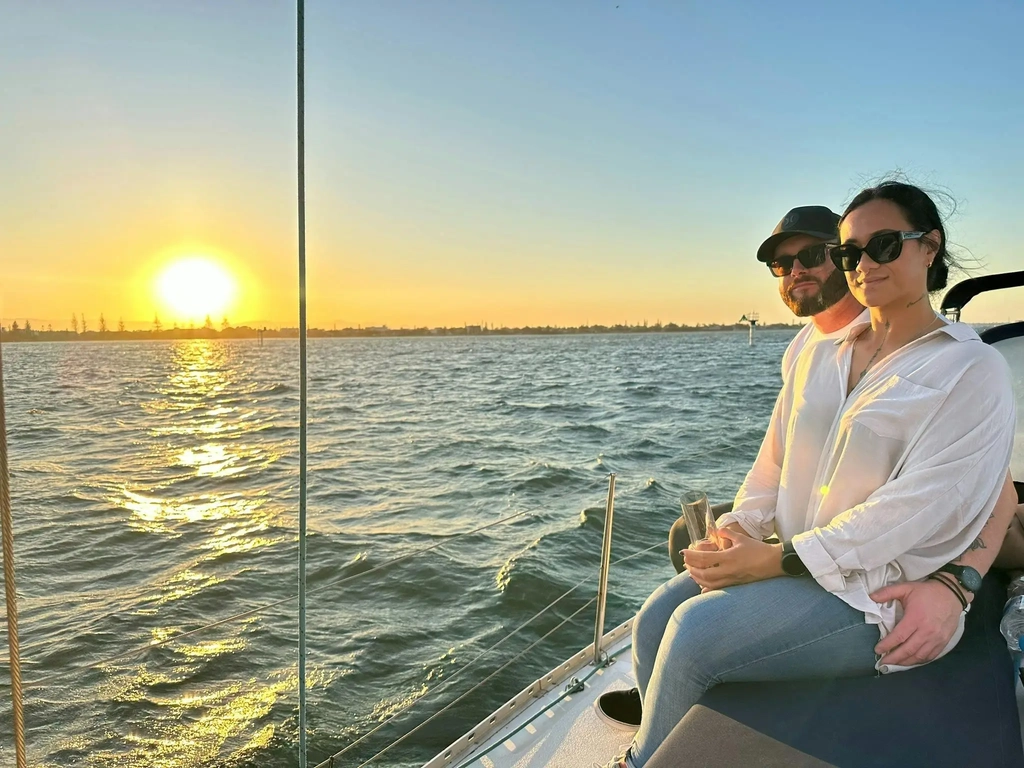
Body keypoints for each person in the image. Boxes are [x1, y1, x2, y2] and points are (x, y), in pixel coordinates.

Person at [598, 181, 1017, 768]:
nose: (866, 264)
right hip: (801, 562)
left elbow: (918, 509)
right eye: (852, 254)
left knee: (694, 635)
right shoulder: (821, 352)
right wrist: (743, 526)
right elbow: (774, 461)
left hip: (874, 590)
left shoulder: (970, 368)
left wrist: (776, 559)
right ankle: (667, 734)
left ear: (929, 248)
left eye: (886, 244)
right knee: (651, 624)